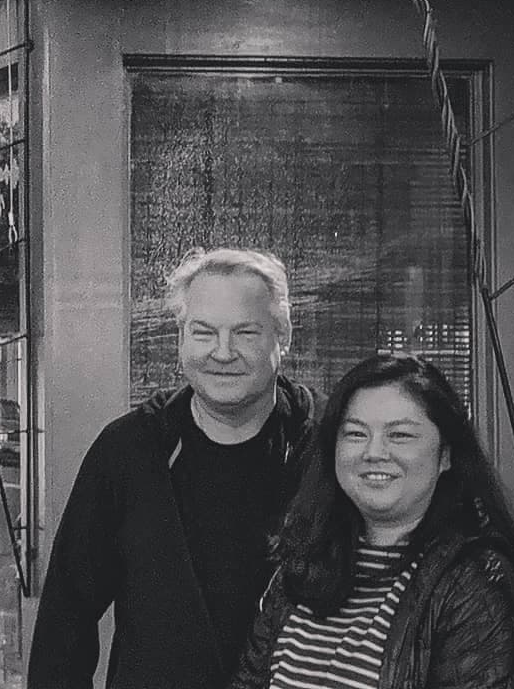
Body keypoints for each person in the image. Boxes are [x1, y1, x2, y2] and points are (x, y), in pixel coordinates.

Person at [28, 248, 320, 689]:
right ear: (180, 337)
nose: (223, 353)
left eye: (245, 332)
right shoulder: (129, 450)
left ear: (283, 337)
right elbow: (64, 623)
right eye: (204, 332)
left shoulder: (329, 450)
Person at [229, 352, 514, 689]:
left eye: (400, 436)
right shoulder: (301, 566)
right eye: (355, 434)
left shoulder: (476, 587)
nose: (374, 452)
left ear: (446, 455)